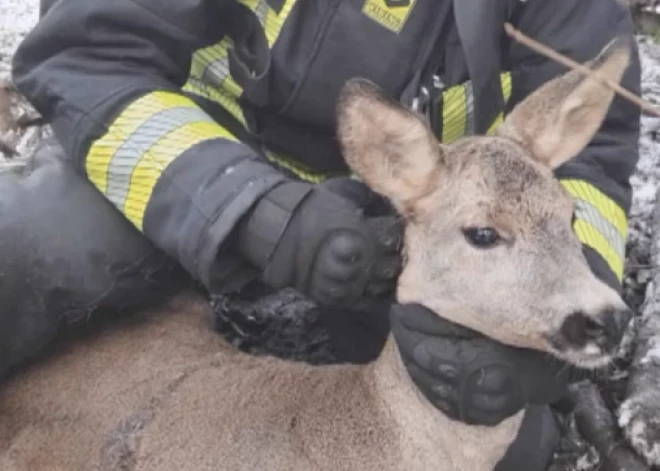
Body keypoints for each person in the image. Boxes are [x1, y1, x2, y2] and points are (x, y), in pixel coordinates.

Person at [1, 0, 640, 469]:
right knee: (24, 254)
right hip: (189, 171)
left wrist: (564, 312)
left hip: (415, 233)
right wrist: (254, 209)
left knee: (499, 432)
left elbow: (587, 166)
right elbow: (88, 53)